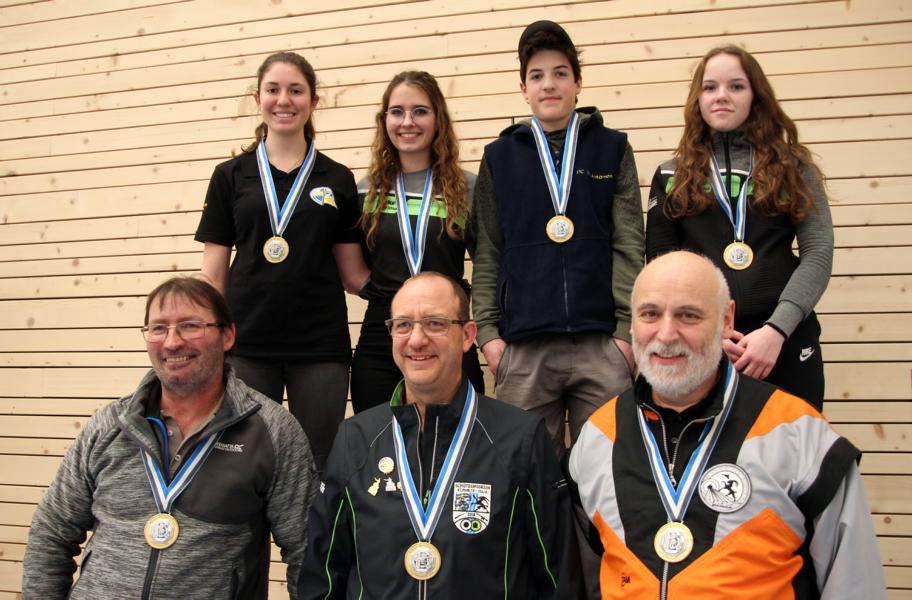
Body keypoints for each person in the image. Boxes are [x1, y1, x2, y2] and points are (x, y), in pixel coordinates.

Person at [569, 251, 885, 598]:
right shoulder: (597, 438)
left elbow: (856, 585)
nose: (666, 333)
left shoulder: (800, 434)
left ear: (727, 319)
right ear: (632, 323)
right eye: (650, 314)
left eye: (688, 315)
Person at [22, 277, 317, 599]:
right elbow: (51, 534)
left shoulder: (273, 432)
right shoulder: (109, 425)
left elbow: (307, 552)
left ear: (227, 335)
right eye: (158, 328)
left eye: (190, 326)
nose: (172, 342)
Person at [299, 272, 578, 598]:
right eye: (403, 325)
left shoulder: (520, 438)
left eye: (434, 323)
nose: (416, 339)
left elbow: (556, 576)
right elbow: (323, 576)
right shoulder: (355, 439)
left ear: (467, 335)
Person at [471, 20, 644, 459]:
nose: (549, 85)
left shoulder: (612, 149)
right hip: (523, 350)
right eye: (537, 75)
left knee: (609, 470)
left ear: (578, 82)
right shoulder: (499, 157)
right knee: (527, 474)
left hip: (601, 345)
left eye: (560, 73)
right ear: (523, 87)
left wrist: (627, 335)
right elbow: (488, 251)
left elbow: (629, 247)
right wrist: (490, 335)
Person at [195, 51, 366, 470]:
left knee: (318, 461)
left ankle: (309, 540)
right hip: (248, 342)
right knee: (243, 462)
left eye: (295, 90)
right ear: (258, 98)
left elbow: (353, 274)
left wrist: (411, 293)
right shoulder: (230, 176)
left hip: (320, 346)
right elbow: (212, 275)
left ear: (313, 101)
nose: (284, 100)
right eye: (273, 89)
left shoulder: (337, 178)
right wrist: (209, 340)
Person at [646, 45, 833, 410]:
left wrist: (777, 331)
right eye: (710, 87)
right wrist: (710, 334)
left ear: (755, 95)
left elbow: (819, 252)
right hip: (704, 345)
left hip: (785, 340)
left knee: (796, 460)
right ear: (698, 98)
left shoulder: (794, 167)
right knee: (714, 465)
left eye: (736, 86)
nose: (722, 97)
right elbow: (661, 265)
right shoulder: (672, 175)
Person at [351, 70, 484, 413]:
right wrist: (386, 293)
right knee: (378, 441)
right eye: (397, 112)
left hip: (446, 330)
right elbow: (351, 267)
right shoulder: (366, 189)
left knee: (457, 443)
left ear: (438, 118)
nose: (407, 121)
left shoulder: (468, 187)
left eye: (420, 111)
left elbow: (488, 262)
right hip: (384, 333)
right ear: (385, 121)